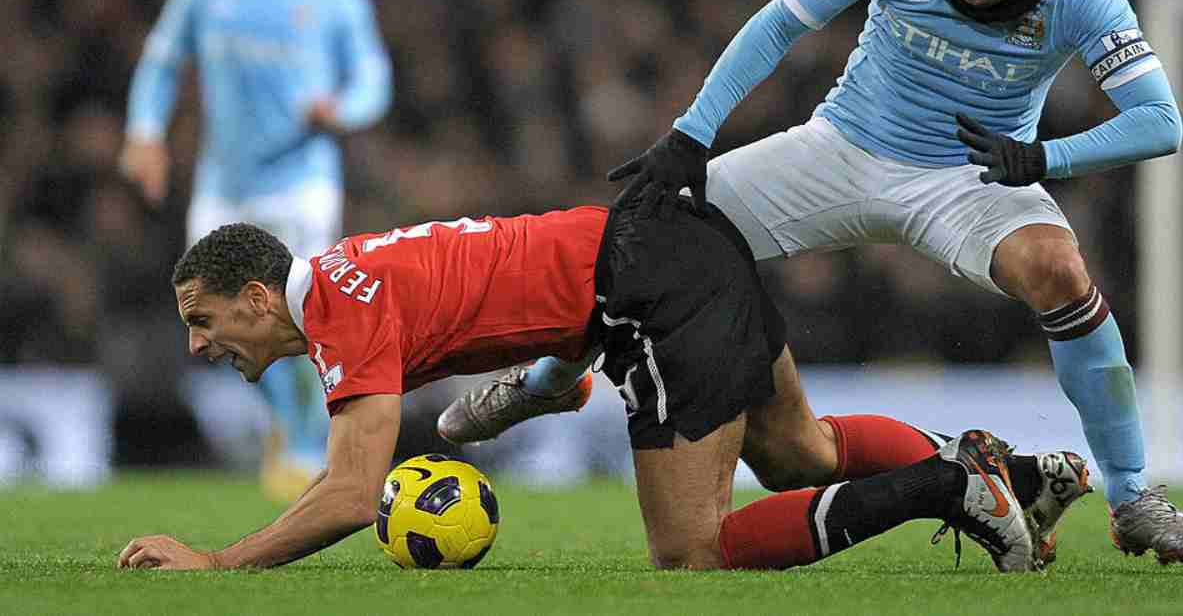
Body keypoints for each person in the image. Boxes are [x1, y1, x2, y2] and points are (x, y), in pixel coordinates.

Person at [447, 0, 1183, 564]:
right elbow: (782, 20)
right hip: (841, 149)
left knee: (1060, 271)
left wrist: (1045, 157)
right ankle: (549, 381)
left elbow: (1160, 122)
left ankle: (1133, 494)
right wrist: (692, 132)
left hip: (972, 176)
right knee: (653, 224)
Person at [116, 192, 1090, 572]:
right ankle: (1000, 469)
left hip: (646, 290)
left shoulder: (338, 304)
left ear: (254, 295)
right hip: (678, 244)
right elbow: (526, 278)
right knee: (806, 452)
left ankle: (952, 485)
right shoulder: (353, 274)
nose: (199, 345)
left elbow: (341, 492)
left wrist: (214, 559)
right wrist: (546, 377)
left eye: (202, 319)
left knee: (690, 546)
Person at [119, 0, 393, 498]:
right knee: (226, 318)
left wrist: (341, 110)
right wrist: (143, 132)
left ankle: (300, 442)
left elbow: (374, 79)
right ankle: (291, 427)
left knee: (297, 312)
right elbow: (161, 63)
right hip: (224, 185)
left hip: (301, 183)